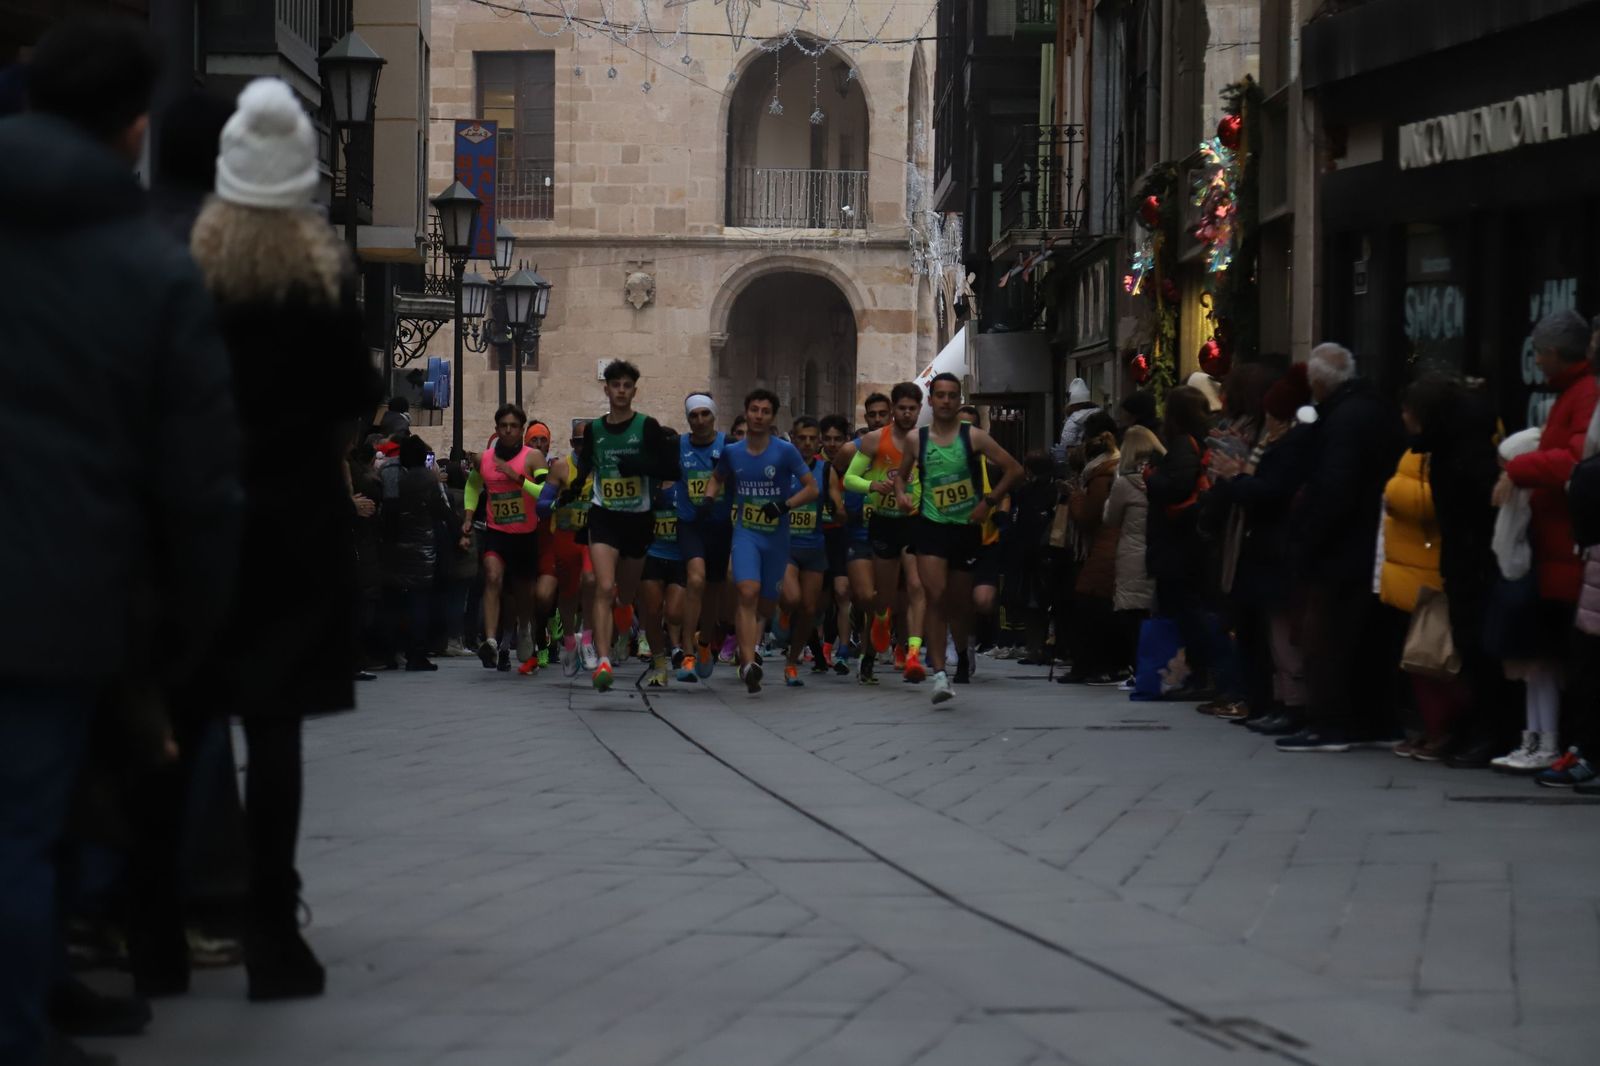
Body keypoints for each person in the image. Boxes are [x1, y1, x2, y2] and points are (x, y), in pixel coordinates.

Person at [0, 21, 240, 1065]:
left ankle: (44, 988)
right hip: (63, 583)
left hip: (60, 573)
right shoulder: (150, 265)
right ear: (132, 127)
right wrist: (191, 615)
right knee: (29, 818)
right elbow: (196, 471)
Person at [188, 76, 381, 997]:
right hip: (295, 527)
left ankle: (159, 928)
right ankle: (273, 925)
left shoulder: (192, 269)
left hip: (197, 515)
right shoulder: (323, 282)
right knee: (275, 733)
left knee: (183, 723)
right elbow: (355, 399)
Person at [1278, 343, 1405, 752]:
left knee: (1330, 637)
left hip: (1343, 547)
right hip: (1376, 542)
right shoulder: (1376, 408)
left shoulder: (1343, 421)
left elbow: (1335, 487)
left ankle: (1331, 723)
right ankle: (1375, 721)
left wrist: (1309, 536)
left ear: (1317, 382)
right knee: (1368, 637)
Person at [1490, 310, 1599, 771]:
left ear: (1554, 353)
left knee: (1563, 651)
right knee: (1550, 649)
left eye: (1538, 352)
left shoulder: (1584, 392)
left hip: (1567, 543)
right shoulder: (1574, 392)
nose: (1535, 360)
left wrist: (1518, 468)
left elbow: (1576, 459)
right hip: (1557, 541)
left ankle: (1563, 743)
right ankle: (1550, 740)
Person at [897, 373, 1023, 703]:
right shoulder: (916, 440)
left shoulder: (975, 437)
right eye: (940, 395)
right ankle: (939, 673)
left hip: (966, 528)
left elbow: (1014, 470)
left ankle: (963, 652)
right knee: (935, 598)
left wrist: (989, 502)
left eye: (953, 395)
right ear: (931, 400)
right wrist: (902, 494)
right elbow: (901, 475)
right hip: (931, 527)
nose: (947, 401)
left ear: (958, 399)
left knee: (960, 603)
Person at [1210, 366, 1315, 736]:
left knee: (1281, 637)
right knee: (1268, 635)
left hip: (1273, 550)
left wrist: (1236, 477)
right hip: (1262, 550)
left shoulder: (1287, 447)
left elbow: (1269, 493)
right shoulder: (1274, 444)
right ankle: (1273, 702)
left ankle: (1289, 704)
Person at [565, 360, 681, 691]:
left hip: (638, 519)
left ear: (634, 391)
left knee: (627, 596)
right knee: (602, 587)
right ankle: (602, 661)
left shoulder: (647, 426)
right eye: (615, 385)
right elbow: (586, 464)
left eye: (626, 386)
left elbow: (671, 469)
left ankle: (628, 642)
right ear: (606, 389)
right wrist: (572, 491)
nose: (620, 391)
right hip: (604, 516)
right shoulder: (595, 430)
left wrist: (639, 465)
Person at [704, 390, 819, 693]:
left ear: (772, 417)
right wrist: (708, 497)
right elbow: (717, 477)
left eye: (765, 411)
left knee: (766, 604)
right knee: (747, 590)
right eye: (754, 409)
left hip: (777, 537)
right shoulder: (733, 452)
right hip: (746, 532)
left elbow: (811, 489)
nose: (758, 415)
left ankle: (758, 639)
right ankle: (747, 663)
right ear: (746, 411)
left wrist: (784, 505)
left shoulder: (785, 452)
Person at [844, 382, 930, 682]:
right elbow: (849, 478)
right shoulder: (874, 441)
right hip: (884, 521)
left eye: (913, 408)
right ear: (894, 409)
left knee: (918, 588)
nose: (907, 414)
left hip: (915, 521)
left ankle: (913, 656)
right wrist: (872, 485)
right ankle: (880, 623)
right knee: (885, 597)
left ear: (920, 409)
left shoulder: (927, 441)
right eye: (902, 408)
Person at [1144, 385, 1217, 700]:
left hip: (1179, 544)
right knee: (1189, 609)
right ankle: (1195, 673)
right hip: (1187, 542)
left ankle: (1199, 675)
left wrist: (1151, 477)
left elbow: (1177, 487)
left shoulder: (1182, 446)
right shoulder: (1198, 441)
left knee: (1187, 610)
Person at [462, 404, 547, 671]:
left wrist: (517, 478)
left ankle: (524, 629)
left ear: (522, 431)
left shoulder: (533, 458)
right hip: (496, 533)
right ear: (496, 429)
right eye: (503, 426)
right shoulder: (484, 459)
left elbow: (545, 494)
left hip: (525, 534)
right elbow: (473, 485)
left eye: (513, 426)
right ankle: (489, 640)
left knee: (523, 593)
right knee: (492, 577)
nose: (508, 430)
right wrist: (467, 516)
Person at [832, 394, 895, 683]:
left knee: (878, 599)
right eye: (872, 414)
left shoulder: (904, 446)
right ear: (866, 417)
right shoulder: (851, 449)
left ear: (891, 415)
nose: (878, 419)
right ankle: (867, 633)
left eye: (883, 413)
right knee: (864, 596)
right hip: (858, 531)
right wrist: (838, 504)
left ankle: (868, 658)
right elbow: (833, 475)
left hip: (889, 528)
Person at [381, 436, 453, 671]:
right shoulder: (426, 479)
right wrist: (459, 524)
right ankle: (416, 653)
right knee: (419, 601)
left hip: (395, 546)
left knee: (395, 601)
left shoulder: (393, 476)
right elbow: (440, 509)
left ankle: (391, 651)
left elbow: (388, 510)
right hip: (422, 548)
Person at [674, 395, 732, 682]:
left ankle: (705, 643)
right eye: (693, 415)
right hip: (690, 524)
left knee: (713, 591)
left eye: (704, 415)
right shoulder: (679, 446)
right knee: (695, 580)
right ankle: (686, 652)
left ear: (713, 416)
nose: (699, 421)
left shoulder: (729, 445)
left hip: (721, 526)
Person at [1060, 412, 1121, 685]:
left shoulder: (1099, 475)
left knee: (1089, 605)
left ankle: (1090, 665)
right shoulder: (1114, 468)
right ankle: (1103, 664)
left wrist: (1073, 496)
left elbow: (1088, 516)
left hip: (1104, 546)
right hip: (1113, 545)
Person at [1104, 426, 1165, 680]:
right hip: (1160, 548)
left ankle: (1141, 669)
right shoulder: (1165, 476)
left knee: (1132, 614)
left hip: (1131, 552)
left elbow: (1110, 518)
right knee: (1157, 611)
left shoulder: (1124, 483)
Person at [544, 421, 597, 674]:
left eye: (587, 442)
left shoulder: (602, 468)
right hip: (565, 536)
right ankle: (568, 641)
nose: (583, 446)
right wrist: (556, 503)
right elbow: (542, 504)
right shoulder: (561, 467)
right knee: (568, 592)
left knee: (590, 580)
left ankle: (587, 639)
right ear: (571, 444)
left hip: (592, 537)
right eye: (578, 442)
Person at [639, 463, 686, 688]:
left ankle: (681, 646)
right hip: (653, 555)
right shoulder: (648, 482)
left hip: (680, 557)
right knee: (652, 611)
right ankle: (659, 664)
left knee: (674, 612)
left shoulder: (685, 483)